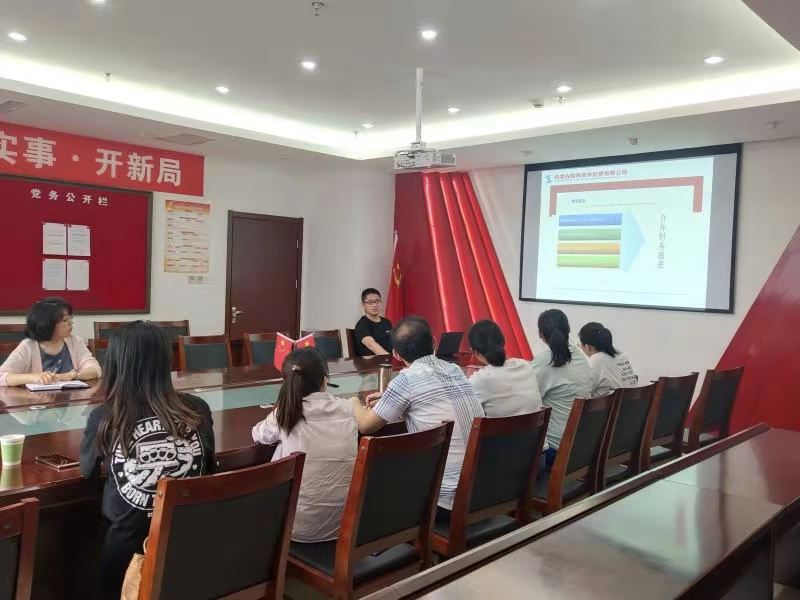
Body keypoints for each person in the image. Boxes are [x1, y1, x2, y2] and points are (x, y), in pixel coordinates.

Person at [80, 321, 215, 599]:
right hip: (188, 546)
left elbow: (87, 471)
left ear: (115, 364)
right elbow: (208, 468)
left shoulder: (104, 416)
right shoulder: (197, 409)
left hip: (125, 560)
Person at [351, 316, 484, 512]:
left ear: (396, 354)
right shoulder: (455, 369)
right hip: (481, 491)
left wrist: (354, 402)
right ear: (434, 343)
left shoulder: (406, 380)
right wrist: (391, 398)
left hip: (442, 500)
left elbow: (365, 426)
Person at [252, 347, 357, 543]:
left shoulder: (285, 413)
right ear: (325, 380)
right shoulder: (348, 408)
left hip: (295, 529)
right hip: (342, 525)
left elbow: (258, 435)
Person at [532, 309, 592, 467]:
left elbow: (526, 398)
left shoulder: (545, 360)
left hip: (555, 451)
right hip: (582, 447)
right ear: (568, 330)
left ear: (540, 334)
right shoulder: (581, 356)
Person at [0, 297, 101, 387]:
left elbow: (95, 369)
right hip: (37, 400)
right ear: (48, 323)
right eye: (65, 320)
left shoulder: (75, 341)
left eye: (70, 318)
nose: (70, 323)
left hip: (73, 399)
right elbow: (2, 376)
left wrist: (71, 375)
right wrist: (34, 377)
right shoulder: (28, 346)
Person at [467, 319, 542, 418]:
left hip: (499, 429)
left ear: (475, 352)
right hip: (535, 428)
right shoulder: (526, 366)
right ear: (504, 340)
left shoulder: (478, 380)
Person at [579, 322, 639, 397]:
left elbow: (583, 392)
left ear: (587, 346)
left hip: (613, 403)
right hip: (634, 401)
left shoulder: (596, 360)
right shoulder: (621, 355)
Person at [353, 288, 393, 357]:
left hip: (390, 359)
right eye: (370, 302)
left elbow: (394, 342)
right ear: (363, 305)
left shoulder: (387, 322)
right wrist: (390, 359)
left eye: (377, 301)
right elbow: (371, 345)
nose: (374, 305)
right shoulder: (362, 324)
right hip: (374, 362)